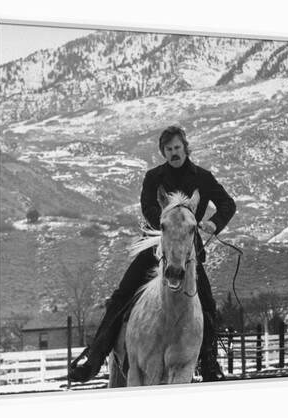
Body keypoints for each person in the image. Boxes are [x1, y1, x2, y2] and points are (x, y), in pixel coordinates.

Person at [69, 125, 236, 383]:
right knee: (121, 297)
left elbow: (228, 203)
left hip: (188, 252)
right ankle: (94, 359)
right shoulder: (153, 177)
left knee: (208, 304)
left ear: (185, 147)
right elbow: (148, 207)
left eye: (177, 148)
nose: (174, 153)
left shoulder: (203, 177)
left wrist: (214, 223)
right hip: (155, 245)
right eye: (168, 149)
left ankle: (209, 362)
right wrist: (166, 221)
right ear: (163, 152)